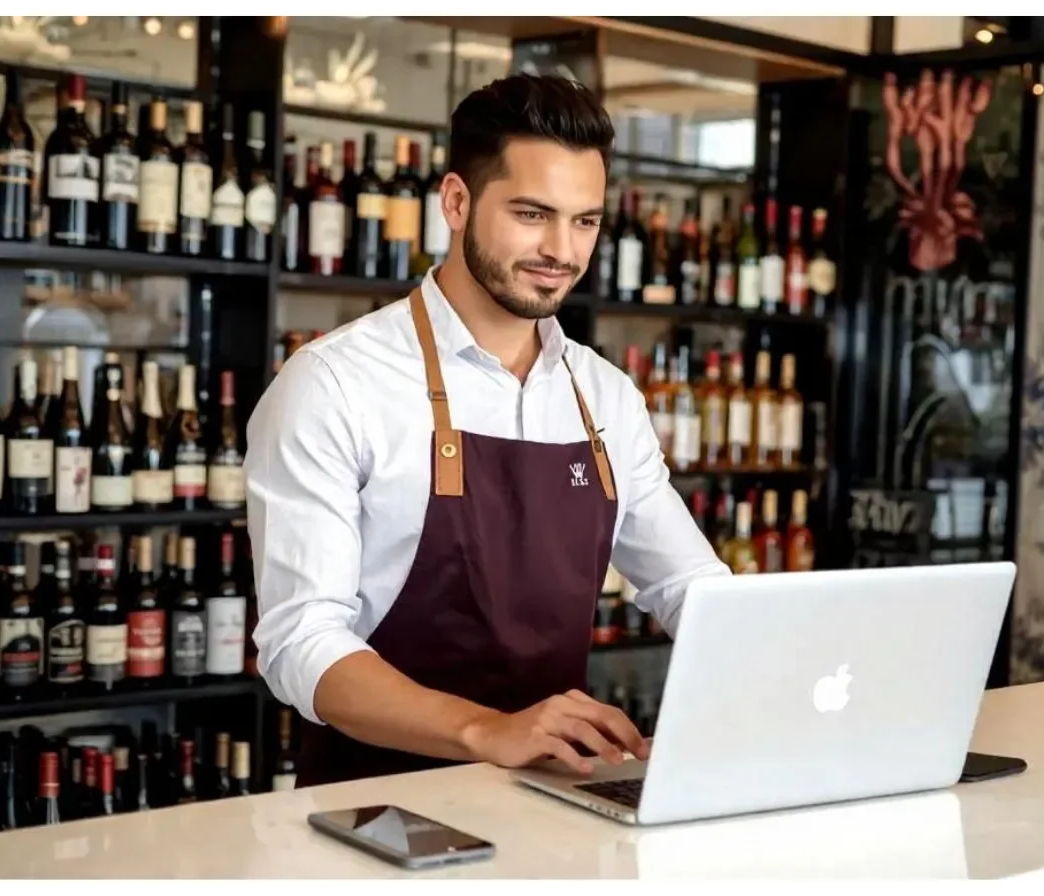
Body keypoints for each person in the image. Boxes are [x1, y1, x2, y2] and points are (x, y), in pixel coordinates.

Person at [245, 74, 730, 788]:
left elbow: (693, 588)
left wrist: (789, 692)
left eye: (585, 221)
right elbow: (300, 642)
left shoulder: (605, 396)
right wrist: (489, 731)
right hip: (375, 808)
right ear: (456, 201)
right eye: (532, 214)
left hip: (553, 798)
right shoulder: (334, 383)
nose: (562, 250)